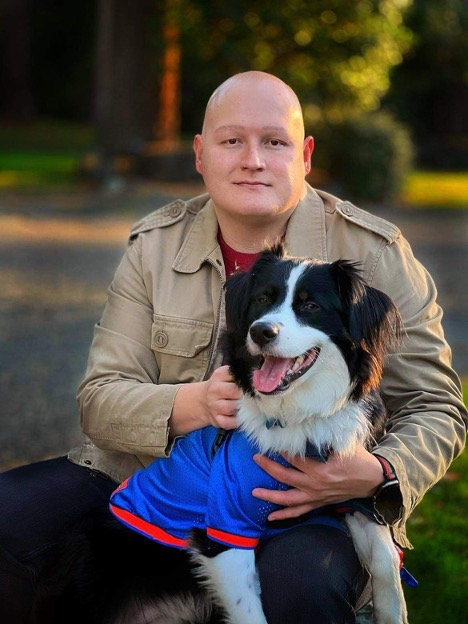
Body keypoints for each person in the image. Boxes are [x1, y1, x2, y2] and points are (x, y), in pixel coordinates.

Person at [0, 70, 466, 624]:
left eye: (274, 141)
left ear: (306, 154)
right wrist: (192, 405)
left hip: (314, 496)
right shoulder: (154, 245)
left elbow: (437, 406)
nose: (252, 159)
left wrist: (378, 471)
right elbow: (100, 396)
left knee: (301, 585)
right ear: (200, 154)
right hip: (149, 476)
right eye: (231, 141)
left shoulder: (375, 252)